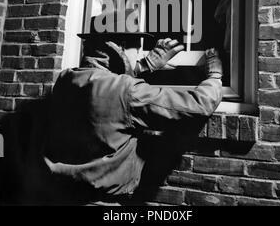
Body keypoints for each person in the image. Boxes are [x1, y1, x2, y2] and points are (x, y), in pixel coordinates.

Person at [38, 19, 223, 205]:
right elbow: (199, 105)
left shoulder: (64, 80)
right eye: (137, 49)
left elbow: (104, 87)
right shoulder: (127, 90)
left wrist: (144, 65)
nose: (140, 53)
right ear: (122, 48)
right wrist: (214, 76)